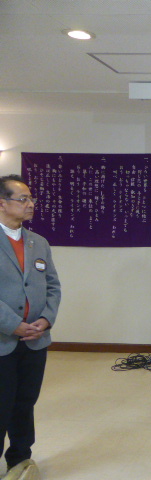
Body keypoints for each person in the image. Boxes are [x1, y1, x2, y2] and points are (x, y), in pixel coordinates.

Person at [0, 175, 61, 479]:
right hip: (3, 341)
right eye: (22, 199)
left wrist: (46, 319)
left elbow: (53, 286)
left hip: (36, 341)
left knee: (25, 403)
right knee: (2, 404)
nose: (30, 204)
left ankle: (20, 458)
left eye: (31, 198)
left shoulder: (39, 242)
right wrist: (14, 325)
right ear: (2, 203)